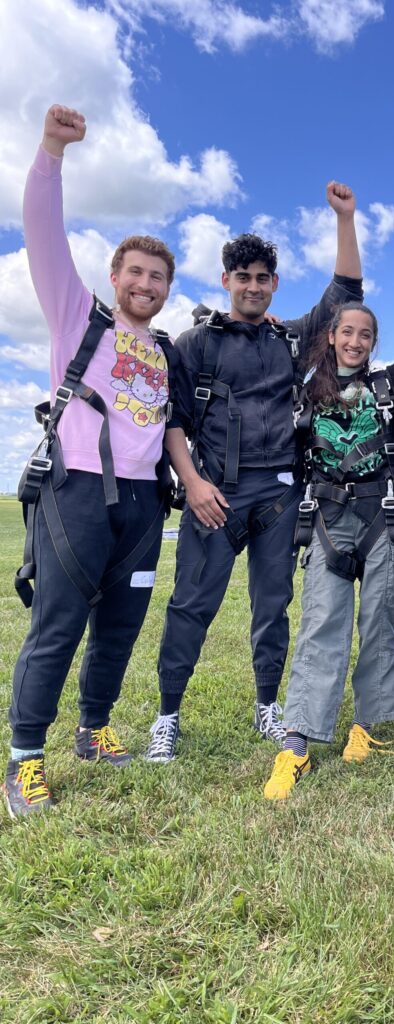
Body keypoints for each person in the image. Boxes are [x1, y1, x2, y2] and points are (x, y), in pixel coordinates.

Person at [263, 184, 394, 799]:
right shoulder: (305, 380)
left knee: (380, 621)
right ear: (330, 335)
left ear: (374, 343)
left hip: (385, 516)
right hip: (327, 516)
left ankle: (368, 724)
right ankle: (299, 740)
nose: (355, 340)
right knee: (322, 623)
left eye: (365, 334)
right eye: (346, 331)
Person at [145, 183, 363, 763]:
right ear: (226, 281)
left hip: (279, 496)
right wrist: (192, 485)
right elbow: (174, 421)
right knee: (191, 605)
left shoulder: (291, 340)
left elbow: (345, 293)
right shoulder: (197, 345)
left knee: (273, 607)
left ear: (273, 284)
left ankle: (268, 705)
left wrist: (345, 218)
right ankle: (167, 716)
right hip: (215, 493)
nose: (252, 286)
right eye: (242, 276)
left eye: (262, 277)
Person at [3, 105, 176, 819]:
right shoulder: (80, 314)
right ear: (115, 275)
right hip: (75, 492)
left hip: (143, 505)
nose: (146, 283)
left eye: (158, 276)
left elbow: (169, 432)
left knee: (122, 626)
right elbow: (42, 232)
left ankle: (94, 728)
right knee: (58, 625)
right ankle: (23, 761)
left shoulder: (164, 352)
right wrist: (51, 152)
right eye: (136, 272)